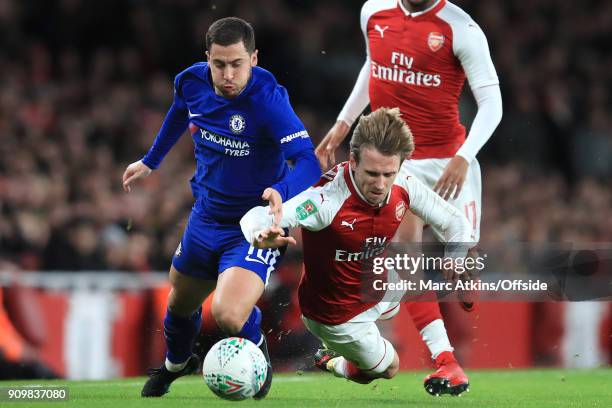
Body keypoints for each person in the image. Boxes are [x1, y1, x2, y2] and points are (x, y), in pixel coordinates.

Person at [122, 17, 321, 398]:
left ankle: (257, 348)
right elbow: (180, 111)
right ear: (207, 59)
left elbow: (308, 162)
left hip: (254, 226)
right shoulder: (190, 81)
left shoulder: (269, 99)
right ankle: (177, 364)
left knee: (229, 315)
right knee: (179, 307)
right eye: (219, 64)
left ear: (254, 59)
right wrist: (151, 160)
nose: (227, 74)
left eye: (236, 64)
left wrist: (281, 190)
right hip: (205, 217)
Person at [315, 0, 503, 394]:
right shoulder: (373, 11)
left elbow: (492, 104)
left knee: (461, 268)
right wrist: (344, 121)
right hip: (402, 163)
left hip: (450, 161)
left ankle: (398, 301)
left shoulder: (461, 29)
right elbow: (374, 66)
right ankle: (446, 361)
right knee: (405, 253)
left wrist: (464, 157)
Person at [240, 108, 472, 393]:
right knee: (389, 369)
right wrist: (258, 234)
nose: (381, 184)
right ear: (352, 162)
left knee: (410, 268)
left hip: (373, 283)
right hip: (336, 316)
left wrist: (456, 256)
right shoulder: (325, 200)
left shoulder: (403, 183)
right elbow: (256, 217)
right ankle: (331, 362)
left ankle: (447, 361)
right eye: (372, 173)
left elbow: (455, 220)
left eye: (389, 173)